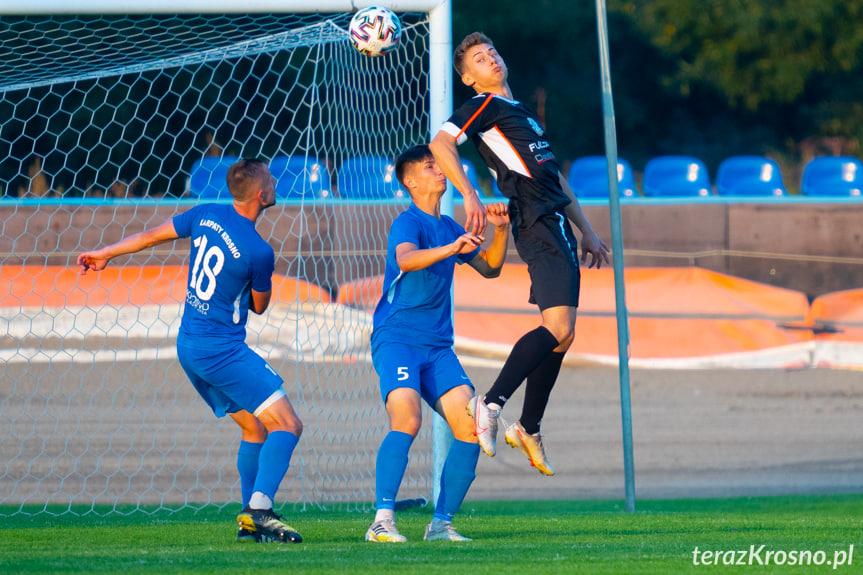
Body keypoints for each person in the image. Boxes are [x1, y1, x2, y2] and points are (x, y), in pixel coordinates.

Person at [77, 158, 304, 544]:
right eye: (271, 179)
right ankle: (261, 509)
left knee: (254, 426)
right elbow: (260, 305)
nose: (276, 181)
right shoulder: (259, 251)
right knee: (289, 425)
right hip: (221, 350)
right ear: (262, 195)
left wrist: (106, 253)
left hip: (189, 344)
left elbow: (151, 236)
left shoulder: (205, 213)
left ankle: (249, 521)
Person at [429, 32, 611, 476]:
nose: (489, 58)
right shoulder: (485, 106)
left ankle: (528, 426)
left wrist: (585, 228)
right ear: (470, 79)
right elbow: (440, 144)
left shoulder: (522, 115)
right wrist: (469, 194)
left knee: (563, 336)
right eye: (478, 58)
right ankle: (490, 405)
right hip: (535, 221)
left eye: (492, 51)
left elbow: (557, 182)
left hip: (556, 224)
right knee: (559, 327)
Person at [365, 145, 510, 543]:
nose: (440, 170)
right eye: (430, 166)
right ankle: (381, 522)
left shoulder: (448, 225)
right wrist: (452, 248)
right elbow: (407, 259)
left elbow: (492, 268)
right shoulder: (407, 222)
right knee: (407, 420)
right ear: (410, 181)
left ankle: (441, 524)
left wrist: (501, 229)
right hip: (397, 339)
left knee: (472, 427)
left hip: (438, 348)